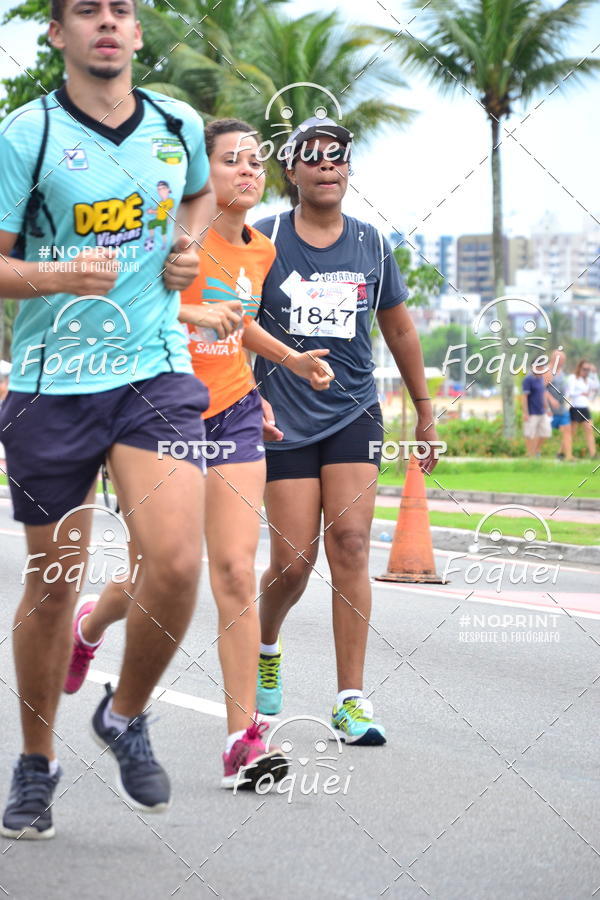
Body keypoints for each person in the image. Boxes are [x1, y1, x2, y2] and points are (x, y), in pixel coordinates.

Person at [61, 118, 335, 788]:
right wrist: (192, 317)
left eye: (255, 162)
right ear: (200, 172)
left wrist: (291, 360)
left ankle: (244, 742)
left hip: (237, 413)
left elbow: (238, 322)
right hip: (160, 411)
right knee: (155, 571)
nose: (248, 171)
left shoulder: (263, 252)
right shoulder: (168, 237)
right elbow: (127, 304)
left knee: (238, 572)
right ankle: (89, 626)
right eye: (231, 161)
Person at [0, 0, 215, 838]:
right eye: (86, 10)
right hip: (55, 381)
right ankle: (36, 762)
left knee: (175, 558)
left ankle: (123, 714)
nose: (107, 22)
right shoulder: (28, 136)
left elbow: (195, 201)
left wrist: (188, 249)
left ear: (137, 31)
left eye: (121, 9)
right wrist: (54, 279)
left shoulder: (177, 122)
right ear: (57, 33)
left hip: (155, 367)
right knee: (54, 589)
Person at [252, 117, 440, 745]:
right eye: (313, 156)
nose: (326, 165)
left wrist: (425, 407)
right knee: (293, 561)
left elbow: (401, 330)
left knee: (352, 545)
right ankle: (267, 645)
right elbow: (231, 322)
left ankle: (350, 700)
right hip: (283, 415)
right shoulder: (266, 237)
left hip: (353, 409)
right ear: (293, 171)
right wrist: (248, 395)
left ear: (348, 170)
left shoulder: (371, 244)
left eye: (338, 157)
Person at [545, 349, 572, 461]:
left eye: (563, 360)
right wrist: (551, 400)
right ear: (553, 358)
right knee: (543, 434)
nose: (562, 361)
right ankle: (533, 455)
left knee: (567, 429)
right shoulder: (548, 371)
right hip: (550, 409)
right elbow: (541, 389)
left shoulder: (561, 371)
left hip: (561, 407)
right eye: (560, 359)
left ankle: (569, 456)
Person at [567, 359, 598, 459]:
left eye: (588, 370)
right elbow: (569, 393)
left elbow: (597, 386)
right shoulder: (573, 378)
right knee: (572, 432)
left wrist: (594, 374)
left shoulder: (588, 380)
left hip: (585, 407)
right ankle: (563, 452)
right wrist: (580, 393)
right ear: (579, 368)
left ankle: (593, 454)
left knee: (589, 430)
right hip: (575, 407)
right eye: (584, 369)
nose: (586, 371)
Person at [522, 362, 552, 457]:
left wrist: (547, 409)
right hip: (532, 412)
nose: (541, 369)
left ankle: (536, 450)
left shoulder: (541, 379)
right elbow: (524, 397)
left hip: (542, 411)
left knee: (546, 433)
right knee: (530, 434)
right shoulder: (528, 379)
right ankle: (530, 454)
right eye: (539, 367)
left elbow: (543, 395)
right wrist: (525, 412)